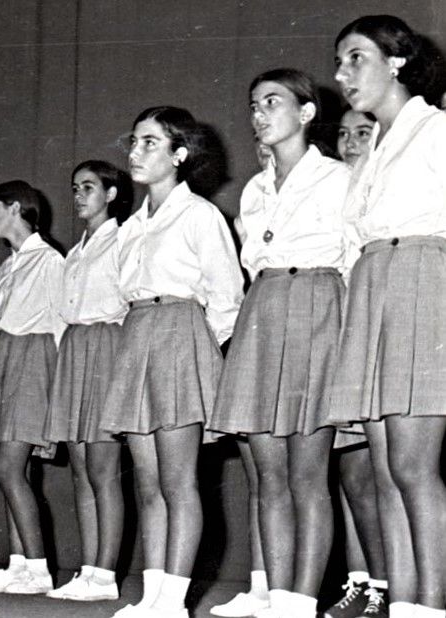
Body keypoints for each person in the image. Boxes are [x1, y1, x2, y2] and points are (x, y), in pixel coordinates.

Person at [206, 68, 350, 618]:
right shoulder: (254, 189)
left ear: (307, 113)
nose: (259, 115)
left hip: (316, 307)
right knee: (266, 473)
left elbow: (353, 260)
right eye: (253, 105)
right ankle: (270, 591)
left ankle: (300, 600)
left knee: (307, 473)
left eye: (273, 102)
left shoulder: (338, 179)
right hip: (262, 312)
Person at [105, 106, 243, 618]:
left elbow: (227, 298)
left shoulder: (201, 215)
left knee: (179, 478)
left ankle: (175, 599)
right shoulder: (130, 227)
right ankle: (154, 593)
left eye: (149, 143)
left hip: (181, 335)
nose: (136, 153)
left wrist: (201, 355)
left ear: (179, 155)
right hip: (138, 335)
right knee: (147, 480)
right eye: (134, 143)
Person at [332, 14, 446, 618]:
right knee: (383, 471)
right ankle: (404, 605)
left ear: (396, 61)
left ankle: (432, 606)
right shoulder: (372, 150)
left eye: (356, 58)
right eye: (339, 61)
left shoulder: (437, 131)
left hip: (423, 280)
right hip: (372, 289)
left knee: (412, 465)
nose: (343, 74)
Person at [0, 180, 64, 596]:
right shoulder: (8, 265)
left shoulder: (49, 260)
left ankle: (38, 568)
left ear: (15, 208)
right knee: (13, 470)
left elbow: (61, 323)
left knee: (10, 467)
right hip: (5, 361)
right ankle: (19, 563)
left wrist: (57, 385)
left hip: (33, 360)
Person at [42, 160, 131, 602]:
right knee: (80, 469)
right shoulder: (74, 252)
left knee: (103, 469)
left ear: (111, 195)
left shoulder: (123, 240)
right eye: (76, 187)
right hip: (75, 350)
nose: (79, 196)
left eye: (90, 188)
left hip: (107, 348)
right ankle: (89, 569)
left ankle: (106, 572)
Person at [326, 108, 389, 618]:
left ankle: (391, 585)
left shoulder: (387, 189)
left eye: (362, 133)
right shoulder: (337, 191)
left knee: (381, 472)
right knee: (350, 474)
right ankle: (363, 581)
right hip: (342, 337)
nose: (350, 143)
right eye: (343, 134)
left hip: (380, 333)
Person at [210, 139, 273, 618]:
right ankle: (261, 583)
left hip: (293, 329)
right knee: (260, 474)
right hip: (253, 334)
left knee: (294, 474)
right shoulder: (252, 196)